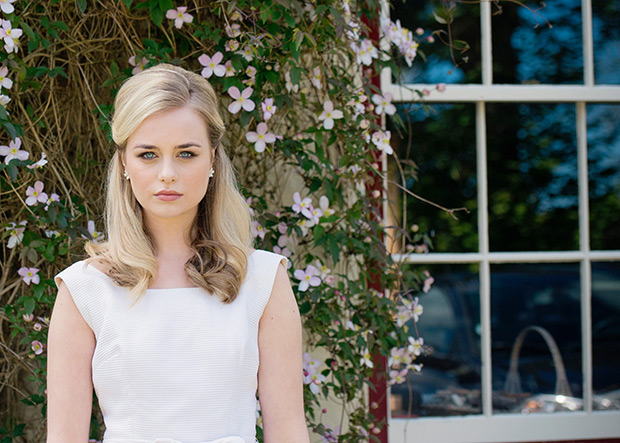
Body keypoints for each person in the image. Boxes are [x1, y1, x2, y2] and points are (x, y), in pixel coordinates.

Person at [46, 63, 309, 443]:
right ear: (124, 162)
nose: (167, 173)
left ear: (213, 159)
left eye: (186, 154)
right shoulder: (85, 289)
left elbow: (288, 432)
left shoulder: (264, 281)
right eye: (148, 154)